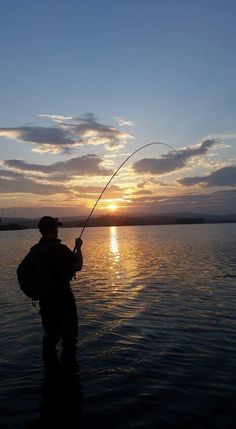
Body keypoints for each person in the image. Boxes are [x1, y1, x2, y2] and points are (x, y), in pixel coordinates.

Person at [34, 216, 83, 369]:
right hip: (63, 301)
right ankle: (70, 379)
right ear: (51, 229)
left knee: (50, 338)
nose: (57, 230)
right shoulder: (60, 250)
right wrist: (79, 247)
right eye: (56, 227)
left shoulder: (35, 251)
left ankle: (50, 375)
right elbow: (78, 265)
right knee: (69, 339)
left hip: (46, 302)